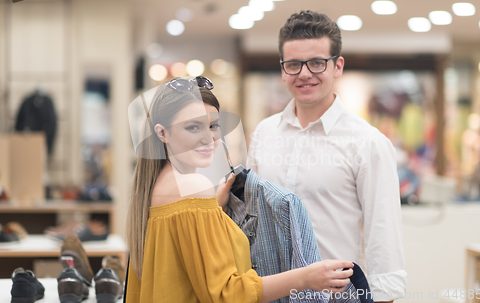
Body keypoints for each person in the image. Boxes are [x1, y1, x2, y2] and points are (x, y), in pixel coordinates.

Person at [125, 76, 354, 303]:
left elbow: (178, 270)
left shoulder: (154, 188)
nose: (209, 138)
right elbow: (228, 294)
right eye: (193, 127)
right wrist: (305, 278)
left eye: (213, 125)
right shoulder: (193, 188)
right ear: (162, 133)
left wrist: (215, 209)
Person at [246, 11, 407, 302]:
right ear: (283, 70)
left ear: (337, 66)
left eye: (317, 63)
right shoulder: (264, 134)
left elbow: (383, 241)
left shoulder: (367, 143)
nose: (304, 74)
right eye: (294, 64)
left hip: (338, 296)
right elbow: (251, 221)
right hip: (271, 292)